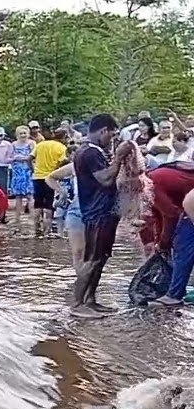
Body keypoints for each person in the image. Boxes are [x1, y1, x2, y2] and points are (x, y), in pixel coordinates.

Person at [70, 114, 124, 318]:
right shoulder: (90, 153)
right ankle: (77, 304)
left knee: (101, 258)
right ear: (103, 131)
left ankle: (90, 300)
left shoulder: (93, 151)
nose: (112, 139)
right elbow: (106, 179)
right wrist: (118, 157)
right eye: (112, 135)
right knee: (92, 260)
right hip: (97, 214)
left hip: (104, 213)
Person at [151, 163, 194, 305]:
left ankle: (174, 295)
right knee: (183, 247)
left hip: (189, 206)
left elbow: (170, 214)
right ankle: (175, 294)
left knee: (183, 247)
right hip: (189, 206)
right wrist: (161, 240)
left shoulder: (151, 184)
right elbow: (162, 215)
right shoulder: (152, 182)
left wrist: (164, 242)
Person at [47, 161, 84, 271]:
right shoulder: (75, 165)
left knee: (93, 253)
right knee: (77, 252)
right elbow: (50, 177)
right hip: (76, 209)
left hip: (97, 210)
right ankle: (81, 282)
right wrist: (61, 192)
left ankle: (89, 283)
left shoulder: (104, 165)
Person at [32, 128, 69, 237]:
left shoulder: (40, 145)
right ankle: (46, 232)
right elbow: (62, 162)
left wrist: (33, 169)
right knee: (49, 205)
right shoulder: (62, 148)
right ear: (64, 137)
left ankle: (36, 230)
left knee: (37, 204)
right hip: (51, 179)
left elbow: (29, 158)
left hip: (37, 177)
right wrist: (56, 172)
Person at [9, 125, 36, 227]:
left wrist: (24, 158)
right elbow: (10, 156)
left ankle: (32, 217)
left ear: (28, 134)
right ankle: (17, 218)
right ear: (17, 135)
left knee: (30, 195)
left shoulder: (32, 143)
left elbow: (34, 156)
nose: (23, 135)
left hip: (28, 170)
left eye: (25, 133)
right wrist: (15, 158)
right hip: (17, 171)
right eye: (20, 133)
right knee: (18, 196)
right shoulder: (13, 144)